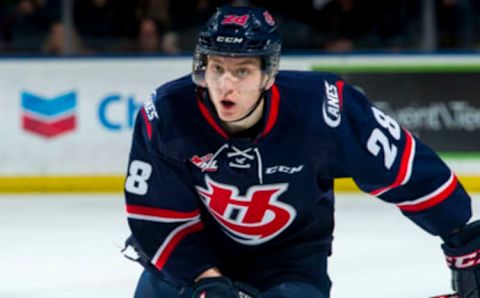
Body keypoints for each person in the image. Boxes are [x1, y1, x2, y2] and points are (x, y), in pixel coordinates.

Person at [123, 5, 480, 298]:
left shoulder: (323, 110)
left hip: (289, 263)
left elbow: (401, 166)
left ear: (268, 74)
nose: (225, 85)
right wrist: (206, 280)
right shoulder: (168, 114)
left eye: (242, 71)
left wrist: (458, 232)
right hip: (192, 261)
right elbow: (156, 217)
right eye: (217, 68)